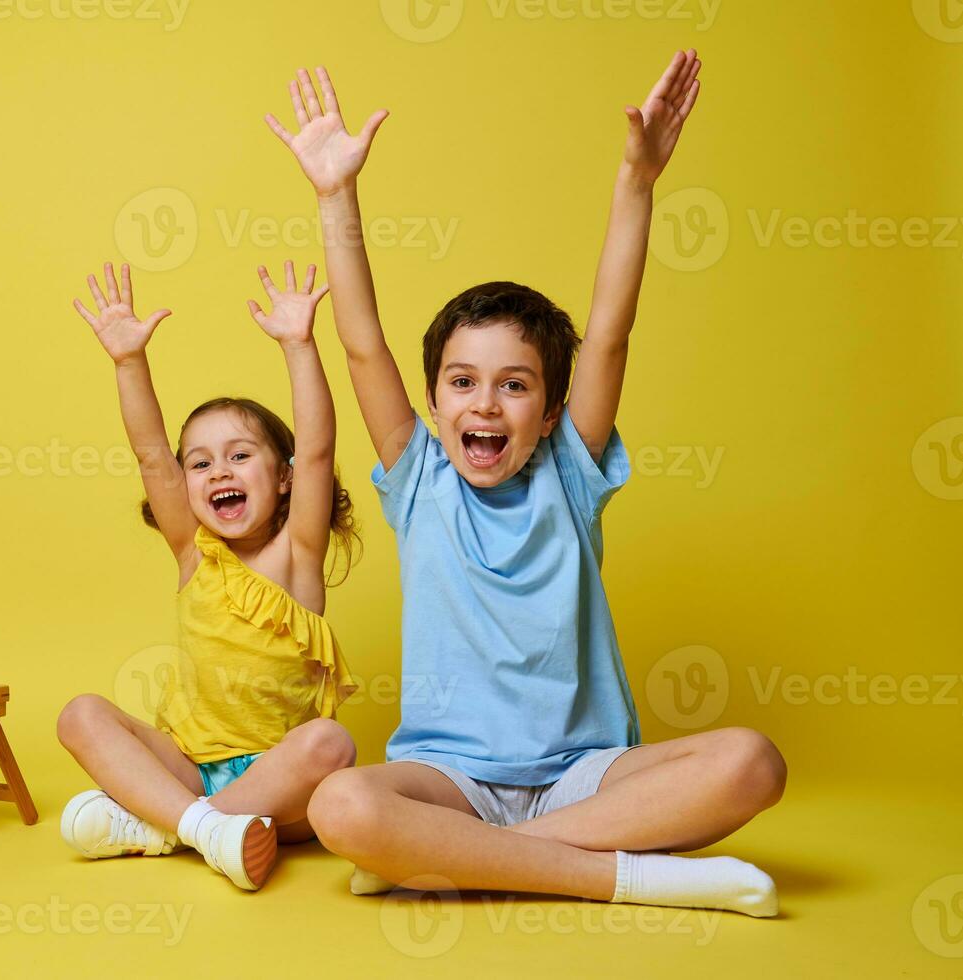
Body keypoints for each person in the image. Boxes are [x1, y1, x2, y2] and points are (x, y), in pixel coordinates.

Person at [268, 56, 787, 916]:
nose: (485, 402)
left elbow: (610, 330)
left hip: (586, 778)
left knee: (750, 761)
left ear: (549, 412)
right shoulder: (418, 478)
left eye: (514, 384)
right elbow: (362, 345)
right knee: (341, 803)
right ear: (431, 402)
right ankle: (632, 877)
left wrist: (636, 179)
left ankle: (469, 862)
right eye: (462, 382)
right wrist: (334, 194)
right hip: (450, 779)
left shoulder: (570, 476)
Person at [56, 259, 360, 891]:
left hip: (286, 785)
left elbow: (320, 446)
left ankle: (169, 826)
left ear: (284, 479)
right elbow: (148, 451)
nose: (219, 471)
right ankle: (207, 825)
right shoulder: (193, 553)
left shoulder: (297, 553)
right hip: (190, 765)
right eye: (199, 463)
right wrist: (127, 362)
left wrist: (299, 344)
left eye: (240, 456)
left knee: (330, 744)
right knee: (79, 714)